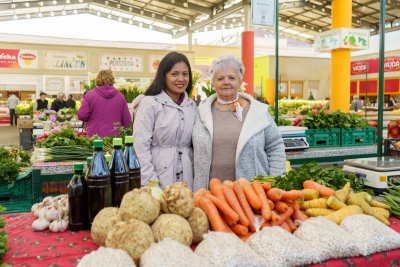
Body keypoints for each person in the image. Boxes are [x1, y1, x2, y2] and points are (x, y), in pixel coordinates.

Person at [192, 56, 286, 191]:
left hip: (252, 193)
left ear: (240, 81)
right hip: (209, 194)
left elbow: (276, 146)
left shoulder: (258, 111)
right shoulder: (200, 112)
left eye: (231, 78)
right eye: (220, 78)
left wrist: (275, 182)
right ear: (212, 83)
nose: (226, 82)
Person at [133, 51, 196, 189]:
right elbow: (140, 146)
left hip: (186, 180)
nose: (181, 79)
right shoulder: (150, 104)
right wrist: (151, 183)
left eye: (185, 74)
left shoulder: (191, 106)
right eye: (174, 74)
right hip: (159, 178)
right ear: (164, 76)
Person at [77, 69, 131, 137]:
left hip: (94, 136)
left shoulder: (89, 95)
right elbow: (127, 121)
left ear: (97, 79)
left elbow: (82, 115)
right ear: (112, 80)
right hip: (115, 136)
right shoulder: (121, 96)